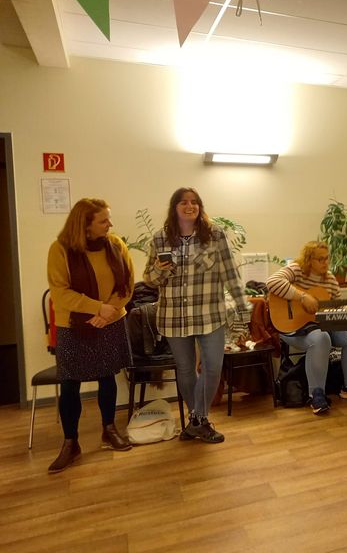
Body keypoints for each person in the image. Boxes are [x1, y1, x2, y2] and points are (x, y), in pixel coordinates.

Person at [143, 187, 250, 444]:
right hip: (174, 316)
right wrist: (159, 268)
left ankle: (196, 420)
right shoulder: (160, 238)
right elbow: (149, 279)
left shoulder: (215, 235)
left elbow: (230, 273)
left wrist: (243, 308)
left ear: (200, 206)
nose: (190, 206)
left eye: (194, 202)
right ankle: (199, 422)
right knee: (185, 369)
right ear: (174, 207)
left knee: (213, 367)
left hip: (209, 314)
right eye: (183, 202)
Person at [46, 198, 135, 473]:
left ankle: (109, 429)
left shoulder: (116, 244)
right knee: (69, 383)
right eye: (103, 220)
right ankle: (71, 443)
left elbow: (127, 284)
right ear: (85, 225)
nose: (110, 224)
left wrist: (108, 312)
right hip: (73, 325)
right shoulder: (60, 249)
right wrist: (97, 308)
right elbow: (60, 292)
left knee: (107, 376)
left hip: (110, 320)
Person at [266, 241, 347, 414]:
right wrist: (302, 297)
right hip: (292, 327)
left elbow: (338, 308)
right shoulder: (296, 270)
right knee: (320, 338)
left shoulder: (329, 279)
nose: (325, 263)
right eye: (320, 259)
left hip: (321, 325)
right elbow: (272, 282)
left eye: (327, 258)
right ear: (309, 260)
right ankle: (316, 394)